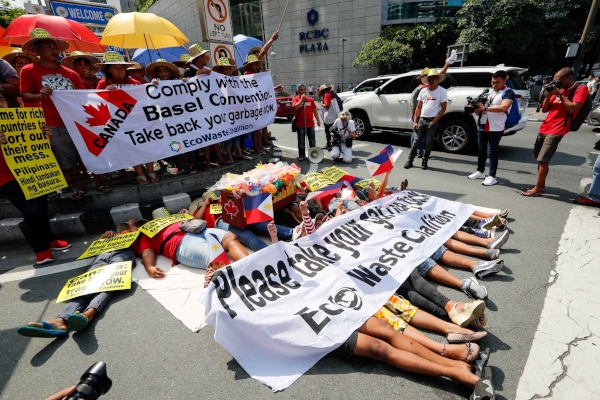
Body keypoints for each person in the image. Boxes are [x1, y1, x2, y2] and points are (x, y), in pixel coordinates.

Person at [16, 220, 163, 338]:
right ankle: (61, 320)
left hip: (124, 253)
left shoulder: (141, 236)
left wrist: (133, 225)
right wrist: (103, 237)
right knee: (88, 285)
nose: (130, 227)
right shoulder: (117, 234)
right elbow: (96, 247)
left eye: (136, 225)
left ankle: (89, 313)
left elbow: (143, 246)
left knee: (108, 283)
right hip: (103, 254)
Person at [20, 28, 88, 201]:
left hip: (75, 120)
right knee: (66, 157)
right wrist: (40, 95)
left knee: (85, 152)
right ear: (37, 50)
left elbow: (83, 97)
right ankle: (79, 186)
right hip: (52, 123)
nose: (53, 50)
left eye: (55, 46)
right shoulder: (29, 70)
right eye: (47, 46)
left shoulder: (71, 73)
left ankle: (96, 178)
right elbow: (25, 94)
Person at [0, 127, 71, 264]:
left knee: (42, 206)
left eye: (2, 102)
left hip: (33, 169)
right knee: (32, 211)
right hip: (8, 177)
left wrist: (46, 136)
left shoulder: (19, 117)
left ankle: (49, 239)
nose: (1, 104)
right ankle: (41, 249)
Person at [521, 67, 587, 197]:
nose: (556, 82)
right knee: (540, 160)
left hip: (558, 129)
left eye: (559, 80)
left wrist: (560, 94)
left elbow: (572, 109)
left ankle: (538, 189)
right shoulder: (557, 89)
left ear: (569, 78)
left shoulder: (580, 89)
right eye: (555, 80)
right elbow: (545, 109)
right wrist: (549, 94)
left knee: (544, 160)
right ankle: (541, 185)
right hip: (545, 126)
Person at [97, 52, 159, 185]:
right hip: (121, 124)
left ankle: (151, 171)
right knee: (132, 148)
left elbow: (147, 97)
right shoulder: (103, 84)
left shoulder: (134, 82)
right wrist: (104, 93)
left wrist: (153, 85)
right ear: (108, 70)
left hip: (139, 121)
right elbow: (96, 103)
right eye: (116, 68)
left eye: (122, 67)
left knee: (147, 145)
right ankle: (140, 174)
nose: (120, 70)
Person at [467, 70, 515, 186]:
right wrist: (476, 108)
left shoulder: (508, 92)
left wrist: (485, 108)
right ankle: (480, 171)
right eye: (492, 82)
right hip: (483, 124)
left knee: (492, 152)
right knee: (481, 150)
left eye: (497, 82)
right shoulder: (489, 93)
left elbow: (504, 107)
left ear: (504, 80)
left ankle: (492, 176)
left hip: (496, 126)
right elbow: (481, 112)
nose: (494, 85)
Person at [404, 69, 448, 170]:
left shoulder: (442, 91)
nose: (431, 80)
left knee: (428, 143)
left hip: (433, 120)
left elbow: (443, 108)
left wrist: (434, 121)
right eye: (430, 79)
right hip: (422, 119)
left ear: (437, 79)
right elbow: (418, 107)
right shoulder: (423, 91)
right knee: (416, 141)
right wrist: (415, 121)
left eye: (433, 78)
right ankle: (410, 160)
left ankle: (425, 162)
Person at [292, 84, 321, 161]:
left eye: (304, 89)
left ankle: (313, 154)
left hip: (310, 124)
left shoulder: (310, 99)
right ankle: (302, 155)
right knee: (301, 141)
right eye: (301, 90)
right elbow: (295, 108)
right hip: (300, 125)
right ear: (298, 91)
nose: (303, 91)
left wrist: (318, 120)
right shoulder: (295, 99)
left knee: (312, 140)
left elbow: (314, 110)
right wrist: (301, 100)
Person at [318, 84, 340, 150]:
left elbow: (327, 106)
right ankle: (336, 145)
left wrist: (322, 104)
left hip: (329, 118)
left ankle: (329, 145)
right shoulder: (331, 94)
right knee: (334, 131)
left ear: (322, 91)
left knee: (328, 132)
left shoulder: (326, 95)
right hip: (334, 116)